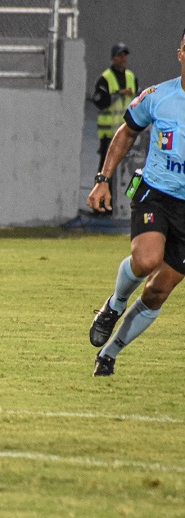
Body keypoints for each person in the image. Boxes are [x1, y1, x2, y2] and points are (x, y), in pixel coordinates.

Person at [87, 30, 185, 377]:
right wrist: (103, 180)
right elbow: (127, 131)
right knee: (146, 260)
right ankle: (113, 306)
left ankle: (110, 353)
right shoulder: (158, 97)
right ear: (180, 53)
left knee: (159, 291)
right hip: (155, 192)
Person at [91, 42, 138, 214]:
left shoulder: (132, 77)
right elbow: (99, 101)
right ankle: (101, 204)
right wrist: (119, 94)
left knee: (133, 168)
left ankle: (127, 204)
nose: (123, 58)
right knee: (106, 169)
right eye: (119, 55)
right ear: (113, 58)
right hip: (109, 132)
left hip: (129, 132)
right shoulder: (105, 78)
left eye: (125, 55)